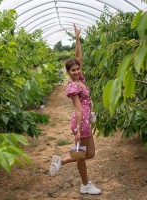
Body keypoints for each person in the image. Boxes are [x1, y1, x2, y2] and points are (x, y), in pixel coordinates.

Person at [49, 24, 101, 195]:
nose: (77, 71)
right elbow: (78, 109)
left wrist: (77, 37)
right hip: (81, 122)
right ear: (68, 72)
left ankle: (61, 162)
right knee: (82, 154)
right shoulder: (73, 87)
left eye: (78, 68)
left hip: (85, 120)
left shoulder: (80, 79)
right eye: (73, 70)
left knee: (89, 153)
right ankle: (85, 184)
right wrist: (79, 129)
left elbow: (78, 56)